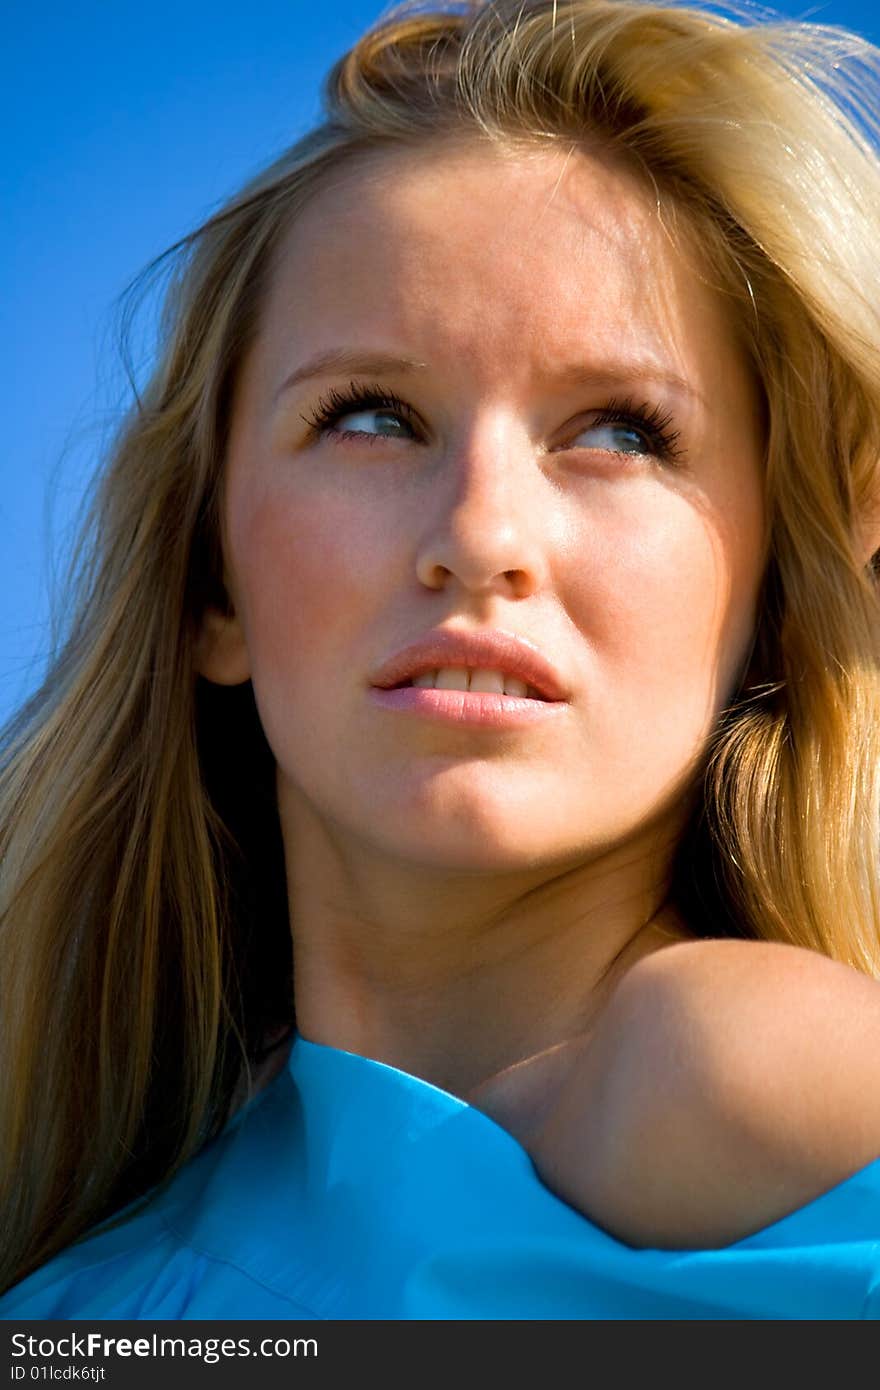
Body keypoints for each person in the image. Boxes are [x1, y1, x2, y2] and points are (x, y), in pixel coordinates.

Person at [2, 0, 880, 1321]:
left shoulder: (735, 1066)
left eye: (625, 432)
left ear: (773, 605)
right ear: (210, 587)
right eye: (372, 416)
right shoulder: (83, 1302)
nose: (480, 533)